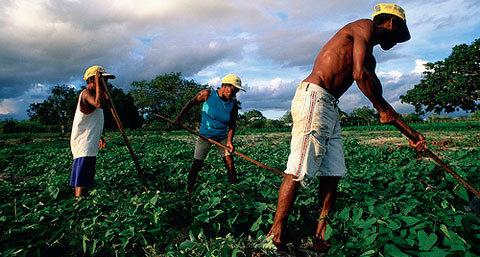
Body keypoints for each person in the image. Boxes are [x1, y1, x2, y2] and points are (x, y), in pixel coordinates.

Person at [266, 3, 427, 253]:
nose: (396, 43)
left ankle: (320, 232)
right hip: (314, 97)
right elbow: (359, 74)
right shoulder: (363, 27)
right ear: (391, 24)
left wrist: (411, 134)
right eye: (398, 36)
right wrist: (383, 109)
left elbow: (381, 103)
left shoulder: (369, 58)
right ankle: (275, 233)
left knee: (333, 173)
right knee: (299, 167)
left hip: (330, 105)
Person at [174, 73, 244, 195]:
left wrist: (229, 142)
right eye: (233, 90)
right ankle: (189, 190)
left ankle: (236, 192)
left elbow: (232, 124)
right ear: (224, 86)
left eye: (236, 92)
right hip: (205, 136)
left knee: (229, 162)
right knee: (197, 163)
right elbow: (190, 104)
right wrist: (178, 119)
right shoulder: (208, 94)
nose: (234, 94)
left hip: (221, 137)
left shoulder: (233, 105)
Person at [70, 65, 114, 198]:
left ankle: (83, 200)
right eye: (102, 80)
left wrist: (100, 136)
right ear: (91, 80)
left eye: (105, 81)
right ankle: (79, 203)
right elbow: (98, 104)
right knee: (82, 177)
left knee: (87, 174)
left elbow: (96, 119)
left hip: (91, 140)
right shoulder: (85, 94)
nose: (105, 83)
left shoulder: (96, 95)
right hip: (83, 142)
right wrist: (97, 81)